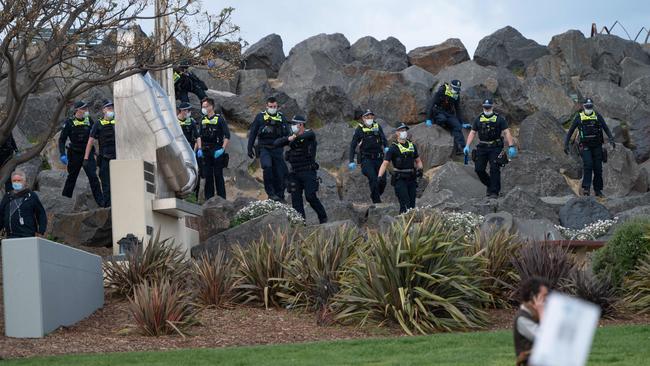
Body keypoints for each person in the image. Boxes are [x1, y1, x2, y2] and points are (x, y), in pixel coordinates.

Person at [273, 115, 328, 223]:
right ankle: (301, 224)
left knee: (310, 196)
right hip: (294, 174)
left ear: (301, 125)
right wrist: (288, 138)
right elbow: (276, 143)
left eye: (294, 124)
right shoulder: (291, 137)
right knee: (296, 200)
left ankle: (323, 218)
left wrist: (293, 138)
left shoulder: (309, 134)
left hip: (308, 171)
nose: (292, 126)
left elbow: (305, 136)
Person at [464, 99, 517, 199]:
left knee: (494, 169)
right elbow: (472, 132)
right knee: (479, 169)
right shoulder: (478, 119)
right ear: (483, 107)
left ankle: (494, 192)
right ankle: (490, 185)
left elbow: (506, 132)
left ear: (492, 107)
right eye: (485, 107)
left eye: (488, 107)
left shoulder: (499, 119)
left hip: (495, 147)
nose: (487, 109)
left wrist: (511, 146)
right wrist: (467, 145)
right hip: (482, 147)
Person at [564, 98, 615, 197]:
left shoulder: (597, 116)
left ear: (592, 106)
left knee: (598, 168)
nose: (589, 108)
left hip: (597, 146)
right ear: (583, 106)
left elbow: (606, 128)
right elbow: (570, 131)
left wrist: (611, 139)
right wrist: (566, 144)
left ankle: (598, 190)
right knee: (588, 165)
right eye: (587, 106)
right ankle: (586, 189)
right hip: (585, 146)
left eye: (590, 106)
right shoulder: (579, 117)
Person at [59, 101, 103, 206]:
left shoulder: (89, 120)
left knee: (93, 177)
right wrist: (62, 154)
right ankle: (65, 201)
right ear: (77, 110)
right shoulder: (69, 122)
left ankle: (101, 201)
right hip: (74, 154)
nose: (86, 111)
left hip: (88, 154)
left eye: (86, 108)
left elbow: (96, 134)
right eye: (84, 109)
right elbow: (62, 139)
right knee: (72, 177)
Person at [247, 96, 290, 202]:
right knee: (267, 167)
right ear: (266, 106)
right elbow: (253, 133)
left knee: (280, 173)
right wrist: (249, 147)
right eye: (271, 106)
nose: (273, 108)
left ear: (277, 106)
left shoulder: (281, 117)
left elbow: (288, 134)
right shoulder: (260, 117)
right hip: (264, 148)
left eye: (274, 106)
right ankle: (270, 193)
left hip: (277, 149)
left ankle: (280, 195)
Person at [378, 123, 424, 214]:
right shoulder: (393, 148)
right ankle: (401, 224)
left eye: (405, 130)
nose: (404, 132)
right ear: (397, 133)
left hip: (411, 178)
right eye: (401, 130)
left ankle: (410, 225)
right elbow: (385, 164)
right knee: (405, 204)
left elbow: (418, 160)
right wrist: (379, 176)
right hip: (400, 179)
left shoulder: (412, 145)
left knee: (412, 205)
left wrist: (420, 169)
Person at [348, 109, 389, 203]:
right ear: (363, 118)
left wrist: (386, 147)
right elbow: (353, 145)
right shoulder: (359, 129)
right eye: (367, 116)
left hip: (379, 158)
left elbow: (383, 138)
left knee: (382, 181)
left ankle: (374, 194)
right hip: (366, 160)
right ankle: (377, 202)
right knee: (373, 179)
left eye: (371, 116)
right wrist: (351, 161)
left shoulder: (377, 126)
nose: (369, 118)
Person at [425, 79, 471, 154]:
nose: (456, 90)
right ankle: (441, 124)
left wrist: (462, 122)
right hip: (438, 111)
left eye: (458, 89)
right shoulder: (442, 90)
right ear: (451, 86)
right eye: (455, 88)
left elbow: (457, 108)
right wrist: (428, 119)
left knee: (457, 126)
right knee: (442, 119)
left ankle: (460, 147)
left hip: (448, 113)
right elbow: (432, 103)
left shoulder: (456, 95)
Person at [83, 100, 115, 207]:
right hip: (105, 158)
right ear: (103, 110)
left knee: (117, 183)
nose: (111, 110)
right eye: (109, 108)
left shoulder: (117, 121)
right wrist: (86, 159)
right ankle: (107, 207)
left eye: (112, 108)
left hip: (118, 158)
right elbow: (90, 141)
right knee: (106, 184)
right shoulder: (98, 123)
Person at [197, 97, 230, 200]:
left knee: (218, 175)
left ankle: (222, 198)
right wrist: (199, 149)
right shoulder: (203, 120)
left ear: (211, 107)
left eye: (205, 106)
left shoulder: (219, 119)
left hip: (217, 149)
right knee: (208, 176)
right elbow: (199, 136)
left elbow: (227, 136)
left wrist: (222, 149)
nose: (204, 108)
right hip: (206, 150)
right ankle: (209, 199)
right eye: (203, 107)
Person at [513, 277, 549, 366]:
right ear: (533, 296)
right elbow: (546, 338)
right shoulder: (522, 319)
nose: (547, 299)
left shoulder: (539, 314)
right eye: (544, 296)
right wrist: (541, 311)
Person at [0, 171, 47, 238]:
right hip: (11, 235)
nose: (16, 182)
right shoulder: (7, 196)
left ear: (24, 182)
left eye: (19, 180)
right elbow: (1, 214)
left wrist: (41, 231)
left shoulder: (31, 196)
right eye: (14, 181)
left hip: (28, 234)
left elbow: (41, 214)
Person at [177, 102, 202, 198]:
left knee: (194, 172)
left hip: (189, 151)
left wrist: (198, 149)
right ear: (182, 111)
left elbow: (197, 137)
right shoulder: (175, 121)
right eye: (187, 110)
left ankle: (193, 194)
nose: (189, 112)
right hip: (178, 152)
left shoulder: (191, 121)